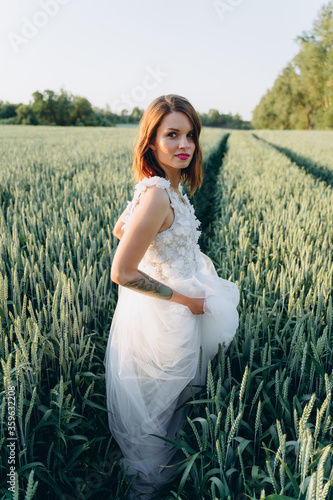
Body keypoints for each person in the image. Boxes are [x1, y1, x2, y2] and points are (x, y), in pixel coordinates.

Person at [103, 94, 239, 499]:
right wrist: (185, 299)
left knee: (171, 404)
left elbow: (120, 229)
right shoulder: (158, 194)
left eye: (190, 135)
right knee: (158, 409)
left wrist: (161, 252)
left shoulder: (161, 190)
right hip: (166, 313)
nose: (184, 145)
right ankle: (150, 488)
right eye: (172, 134)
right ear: (151, 141)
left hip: (176, 301)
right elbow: (122, 272)